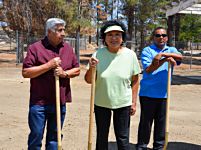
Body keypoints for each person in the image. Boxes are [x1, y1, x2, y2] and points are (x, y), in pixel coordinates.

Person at [22, 18, 80, 149]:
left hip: (59, 102)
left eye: (63, 30)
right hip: (39, 103)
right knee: (36, 136)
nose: (63, 33)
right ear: (49, 32)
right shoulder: (35, 48)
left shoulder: (67, 49)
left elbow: (77, 69)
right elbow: (26, 72)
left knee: (55, 137)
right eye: (60, 30)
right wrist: (49, 65)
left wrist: (64, 74)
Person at [84, 20, 141, 150]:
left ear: (122, 38)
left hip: (123, 103)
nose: (114, 38)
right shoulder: (98, 54)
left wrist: (133, 102)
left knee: (122, 137)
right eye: (110, 35)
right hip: (101, 102)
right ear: (104, 38)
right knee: (101, 137)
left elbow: (135, 80)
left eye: (117, 34)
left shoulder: (130, 55)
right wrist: (91, 68)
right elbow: (88, 80)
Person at [136, 27, 182, 150]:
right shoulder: (147, 50)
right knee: (146, 123)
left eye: (163, 35)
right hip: (148, 93)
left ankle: (159, 146)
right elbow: (149, 70)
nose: (161, 37)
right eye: (157, 35)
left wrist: (164, 54)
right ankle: (142, 146)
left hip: (164, 94)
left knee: (161, 123)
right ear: (153, 37)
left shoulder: (171, 49)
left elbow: (180, 58)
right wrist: (164, 60)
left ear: (167, 37)